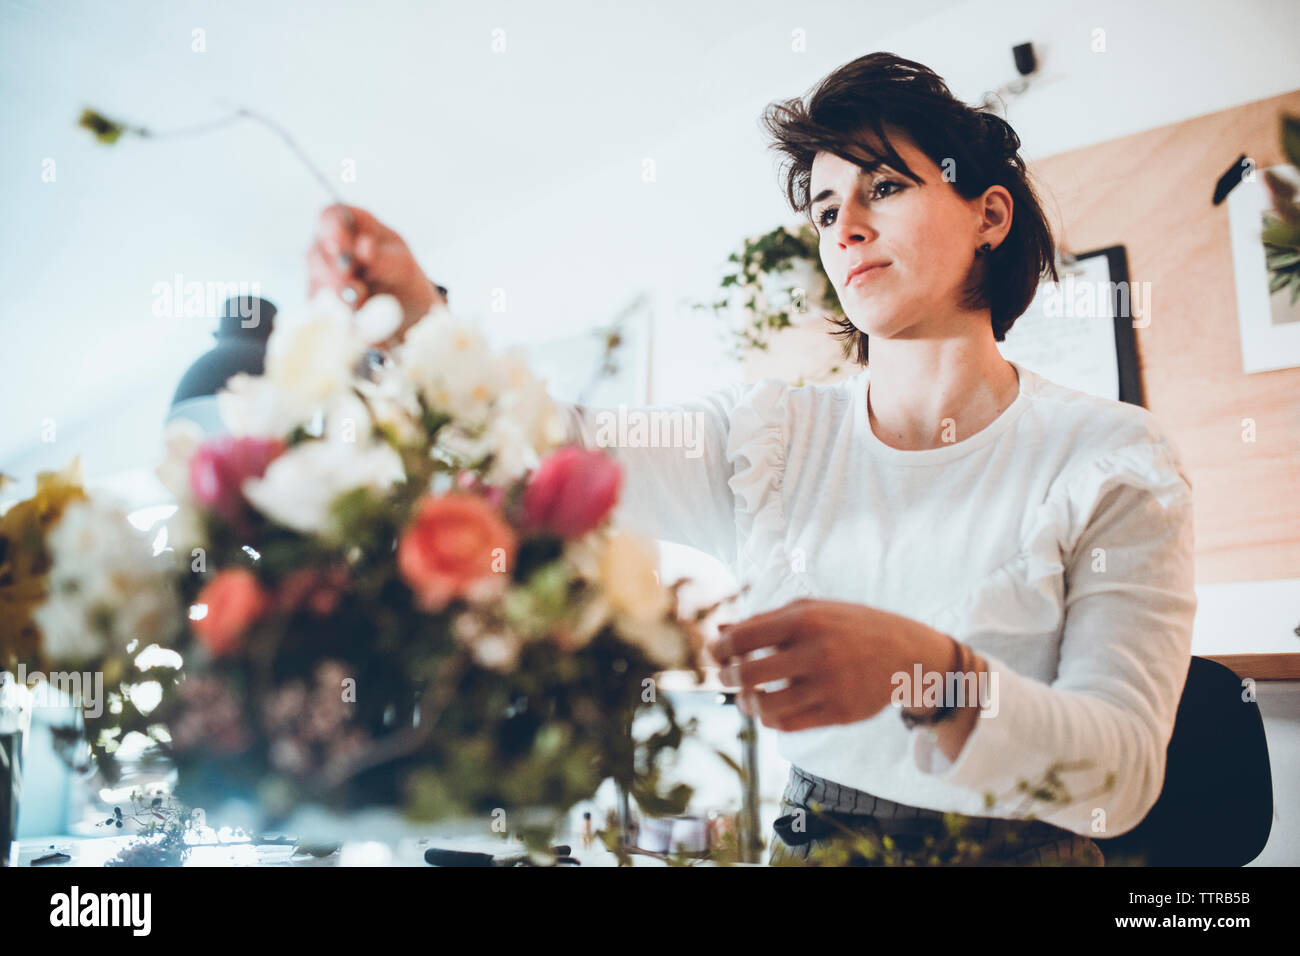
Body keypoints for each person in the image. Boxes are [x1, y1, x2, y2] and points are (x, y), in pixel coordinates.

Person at [306, 52, 1197, 866]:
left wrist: (925, 670)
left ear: (989, 214)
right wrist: (419, 321)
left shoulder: (1113, 458)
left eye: (884, 188)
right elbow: (554, 449)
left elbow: (1118, 781)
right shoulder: (765, 439)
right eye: (823, 208)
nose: (844, 226)